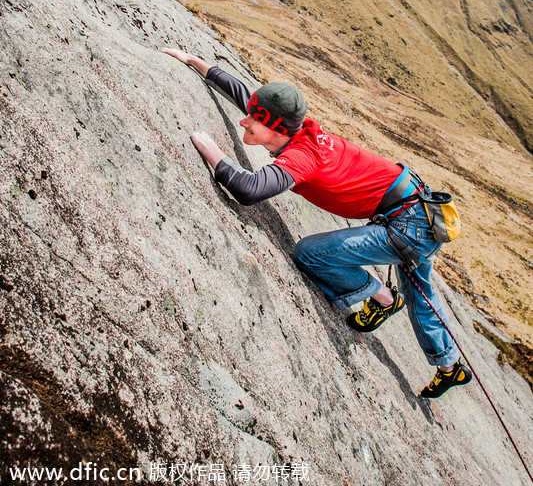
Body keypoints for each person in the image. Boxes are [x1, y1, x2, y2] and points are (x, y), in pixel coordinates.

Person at [161, 47, 472, 399]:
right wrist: (196, 62)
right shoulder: (296, 129)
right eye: (249, 116)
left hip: (408, 224)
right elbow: (247, 98)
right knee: (422, 295)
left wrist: (211, 151)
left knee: (310, 254)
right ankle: (449, 367)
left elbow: (248, 190)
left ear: (277, 129)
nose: (244, 122)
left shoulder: (302, 157)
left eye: (254, 120)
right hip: (415, 207)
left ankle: (385, 300)